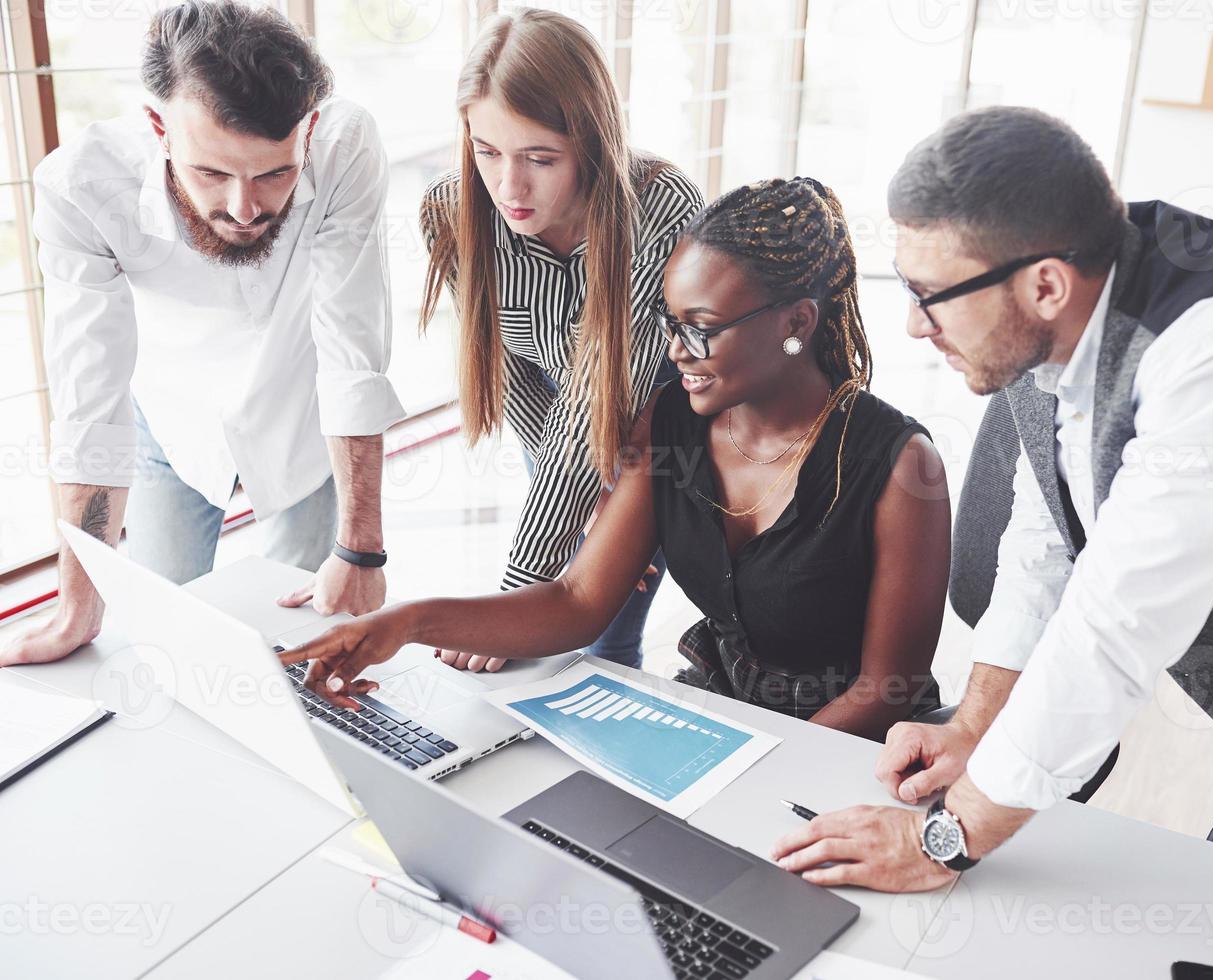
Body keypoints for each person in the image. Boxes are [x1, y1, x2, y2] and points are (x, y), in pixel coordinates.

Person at [771, 107, 1213, 891]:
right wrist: (976, 723)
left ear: (1044, 284)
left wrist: (941, 837)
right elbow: (1047, 535)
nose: (911, 324)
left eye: (928, 293)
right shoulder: (1060, 310)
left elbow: (1116, 627)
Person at [284, 177, 952, 740]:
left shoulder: (899, 468)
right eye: (668, 321)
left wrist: (749, 769)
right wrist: (402, 622)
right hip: (722, 718)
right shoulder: (667, 426)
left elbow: (883, 693)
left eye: (701, 327)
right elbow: (577, 600)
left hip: (848, 751)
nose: (677, 350)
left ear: (797, 324)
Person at [0, 0, 402, 669]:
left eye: (274, 173)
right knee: (169, 643)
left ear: (311, 131)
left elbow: (351, 350)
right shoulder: (82, 187)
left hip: (302, 414)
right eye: (212, 173)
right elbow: (88, 403)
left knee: (300, 650)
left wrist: (361, 548)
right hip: (169, 420)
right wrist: (77, 605)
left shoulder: (346, 147)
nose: (245, 209)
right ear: (159, 127)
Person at [417, 8, 703, 670]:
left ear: (592, 141)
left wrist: (515, 602)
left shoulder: (660, 208)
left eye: (539, 158)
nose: (508, 187)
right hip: (559, 423)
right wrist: (565, 522)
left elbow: (601, 396)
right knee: (555, 608)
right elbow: (517, 381)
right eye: (486, 152)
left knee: (598, 637)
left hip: (660, 427)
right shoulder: (450, 212)